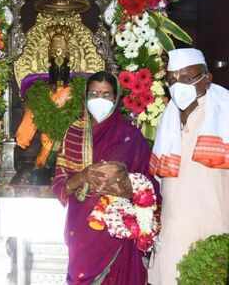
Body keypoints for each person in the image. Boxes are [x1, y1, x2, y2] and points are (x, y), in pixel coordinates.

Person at [52, 71, 161, 284]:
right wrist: (82, 176)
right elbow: (59, 185)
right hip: (82, 230)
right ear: (85, 97)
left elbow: (150, 187)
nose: (100, 100)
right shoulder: (74, 133)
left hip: (120, 233)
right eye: (94, 94)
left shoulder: (131, 136)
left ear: (116, 98)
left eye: (106, 95)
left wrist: (126, 187)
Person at [148, 48, 229, 284]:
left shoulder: (224, 114)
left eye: (187, 78)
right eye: (172, 79)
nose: (178, 85)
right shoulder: (168, 118)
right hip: (172, 235)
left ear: (207, 78)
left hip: (213, 231)